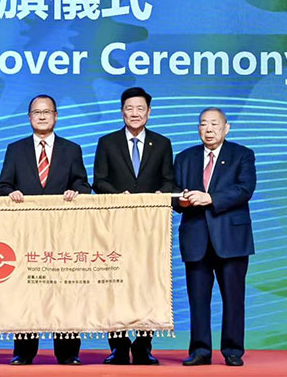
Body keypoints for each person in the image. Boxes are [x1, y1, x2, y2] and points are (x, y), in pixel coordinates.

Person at [0, 94, 92, 366]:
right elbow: (3, 185)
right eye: (36, 112)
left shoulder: (71, 149)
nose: (41, 116)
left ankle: (68, 352)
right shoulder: (15, 149)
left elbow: (83, 184)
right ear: (29, 117)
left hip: (63, 235)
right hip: (25, 234)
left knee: (66, 291)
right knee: (26, 291)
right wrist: (11, 192)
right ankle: (24, 352)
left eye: (47, 112)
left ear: (56, 116)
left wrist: (76, 192)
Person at [91, 87, 175, 365]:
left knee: (147, 283)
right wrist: (119, 196)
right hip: (115, 226)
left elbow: (168, 180)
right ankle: (118, 346)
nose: (135, 113)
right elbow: (99, 181)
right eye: (129, 108)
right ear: (122, 112)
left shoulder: (162, 143)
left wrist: (158, 196)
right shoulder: (107, 142)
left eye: (140, 108)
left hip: (150, 228)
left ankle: (143, 346)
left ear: (149, 112)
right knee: (114, 284)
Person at [173, 107, 256, 367]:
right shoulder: (184, 157)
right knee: (198, 299)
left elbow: (245, 189)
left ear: (226, 128)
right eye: (203, 124)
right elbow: (174, 194)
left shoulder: (242, 155)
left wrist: (210, 198)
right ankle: (200, 350)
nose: (208, 129)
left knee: (233, 298)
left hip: (231, 238)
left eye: (214, 124)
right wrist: (181, 201)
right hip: (196, 237)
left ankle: (232, 350)